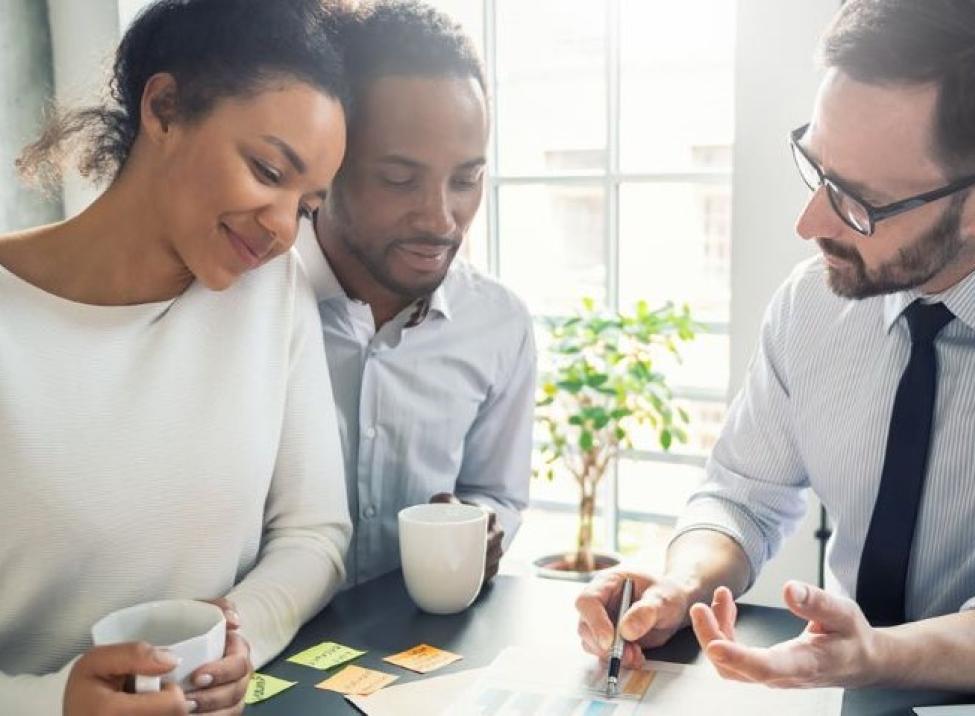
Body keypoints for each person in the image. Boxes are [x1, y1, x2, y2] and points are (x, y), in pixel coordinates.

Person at [576, 0, 975, 691]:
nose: (807, 221)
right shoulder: (812, 304)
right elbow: (742, 498)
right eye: (814, 167)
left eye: (857, 201)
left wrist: (872, 656)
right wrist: (682, 582)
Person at [0, 1, 351, 714]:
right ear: (163, 108)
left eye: (308, 205)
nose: (284, 228)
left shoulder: (269, 293)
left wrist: (238, 636)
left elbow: (316, 533)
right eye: (266, 169)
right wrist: (48, 704)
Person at [295, 0, 534, 587]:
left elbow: (496, 491)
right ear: (330, 162)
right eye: (400, 179)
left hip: (419, 651)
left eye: (466, 180)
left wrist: (479, 527)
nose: (440, 218)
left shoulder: (499, 324)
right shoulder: (250, 303)